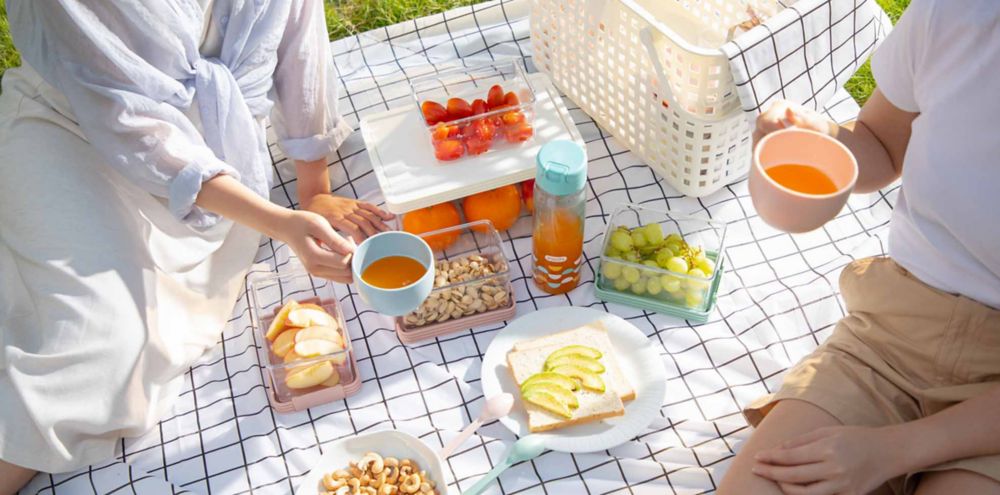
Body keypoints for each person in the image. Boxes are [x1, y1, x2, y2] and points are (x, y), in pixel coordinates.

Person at [0, 1, 394, 492]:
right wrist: (278, 222)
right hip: (79, 131)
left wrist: (313, 188)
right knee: (100, 354)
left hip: (215, 153)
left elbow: (296, 32)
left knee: (149, 333)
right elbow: (132, 125)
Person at [718, 1, 1000, 494]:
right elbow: (882, 145)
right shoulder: (957, 14)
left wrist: (890, 451)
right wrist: (819, 136)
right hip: (891, 336)